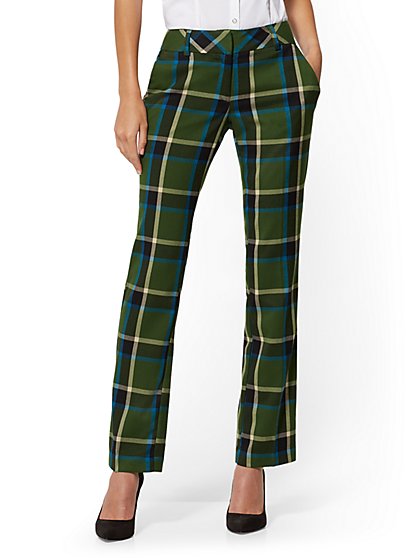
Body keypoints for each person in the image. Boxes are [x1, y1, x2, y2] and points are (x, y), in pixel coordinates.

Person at [96, 0, 322, 540]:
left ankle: (253, 463)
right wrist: (129, 92)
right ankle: (127, 464)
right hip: (186, 64)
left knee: (273, 271)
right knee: (154, 269)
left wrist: (310, 55)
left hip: (274, 61)